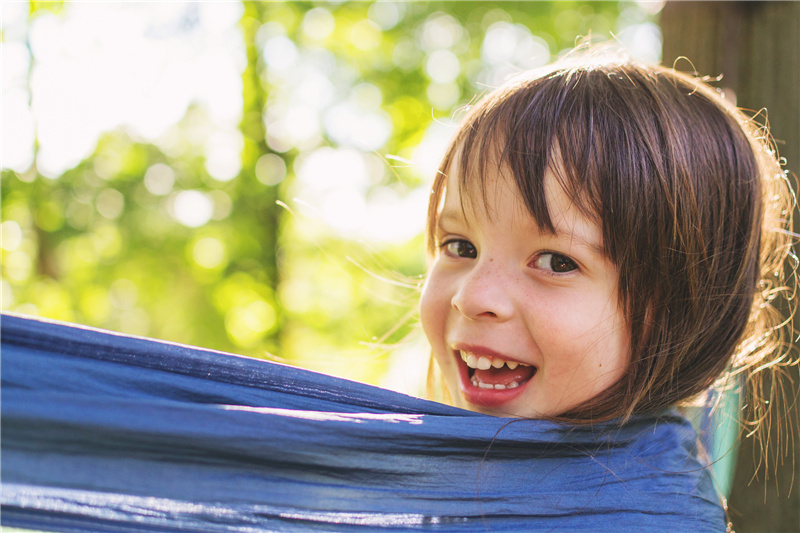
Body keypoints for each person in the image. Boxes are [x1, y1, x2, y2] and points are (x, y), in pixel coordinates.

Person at [418, 43, 796, 507]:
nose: (472, 296)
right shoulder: (441, 481)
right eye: (461, 247)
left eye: (557, 262)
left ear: (682, 312)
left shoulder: (647, 515)